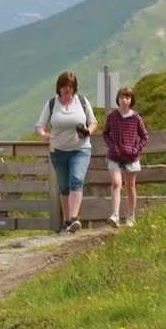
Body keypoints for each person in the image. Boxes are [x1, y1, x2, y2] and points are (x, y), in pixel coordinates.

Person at [35, 70, 97, 233]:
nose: (67, 89)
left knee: (76, 180)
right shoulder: (51, 104)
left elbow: (93, 122)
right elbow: (39, 125)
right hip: (58, 151)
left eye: (71, 86)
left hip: (80, 149)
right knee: (63, 186)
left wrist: (87, 132)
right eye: (64, 86)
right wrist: (43, 134)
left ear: (74, 88)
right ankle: (66, 222)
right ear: (59, 87)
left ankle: (73, 218)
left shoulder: (82, 101)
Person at [102, 86, 149, 227]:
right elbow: (105, 133)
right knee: (116, 183)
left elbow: (144, 137)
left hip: (131, 158)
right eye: (122, 97)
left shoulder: (136, 118)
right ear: (118, 99)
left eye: (127, 97)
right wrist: (112, 146)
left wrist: (136, 149)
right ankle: (115, 215)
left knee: (130, 186)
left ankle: (131, 216)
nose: (124, 100)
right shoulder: (112, 117)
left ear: (131, 100)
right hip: (114, 156)